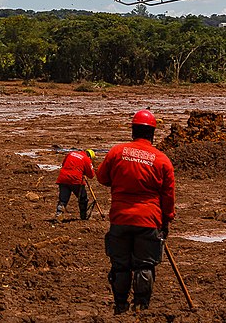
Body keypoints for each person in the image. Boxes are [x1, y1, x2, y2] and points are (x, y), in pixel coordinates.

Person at [96, 109, 176, 314]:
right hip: (149, 221)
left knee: (120, 266)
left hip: (120, 218)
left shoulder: (116, 152)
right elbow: (168, 197)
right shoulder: (161, 160)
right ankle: (141, 306)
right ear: (152, 134)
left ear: (133, 131)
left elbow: (102, 177)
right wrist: (166, 221)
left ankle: (120, 305)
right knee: (145, 266)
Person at [55, 148, 97, 221]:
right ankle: (84, 216)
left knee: (63, 199)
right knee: (83, 199)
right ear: (90, 157)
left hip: (63, 178)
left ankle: (59, 214)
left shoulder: (71, 153)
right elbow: (91, 175)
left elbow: (63, 164)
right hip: (76, 180)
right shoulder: (86, 159)